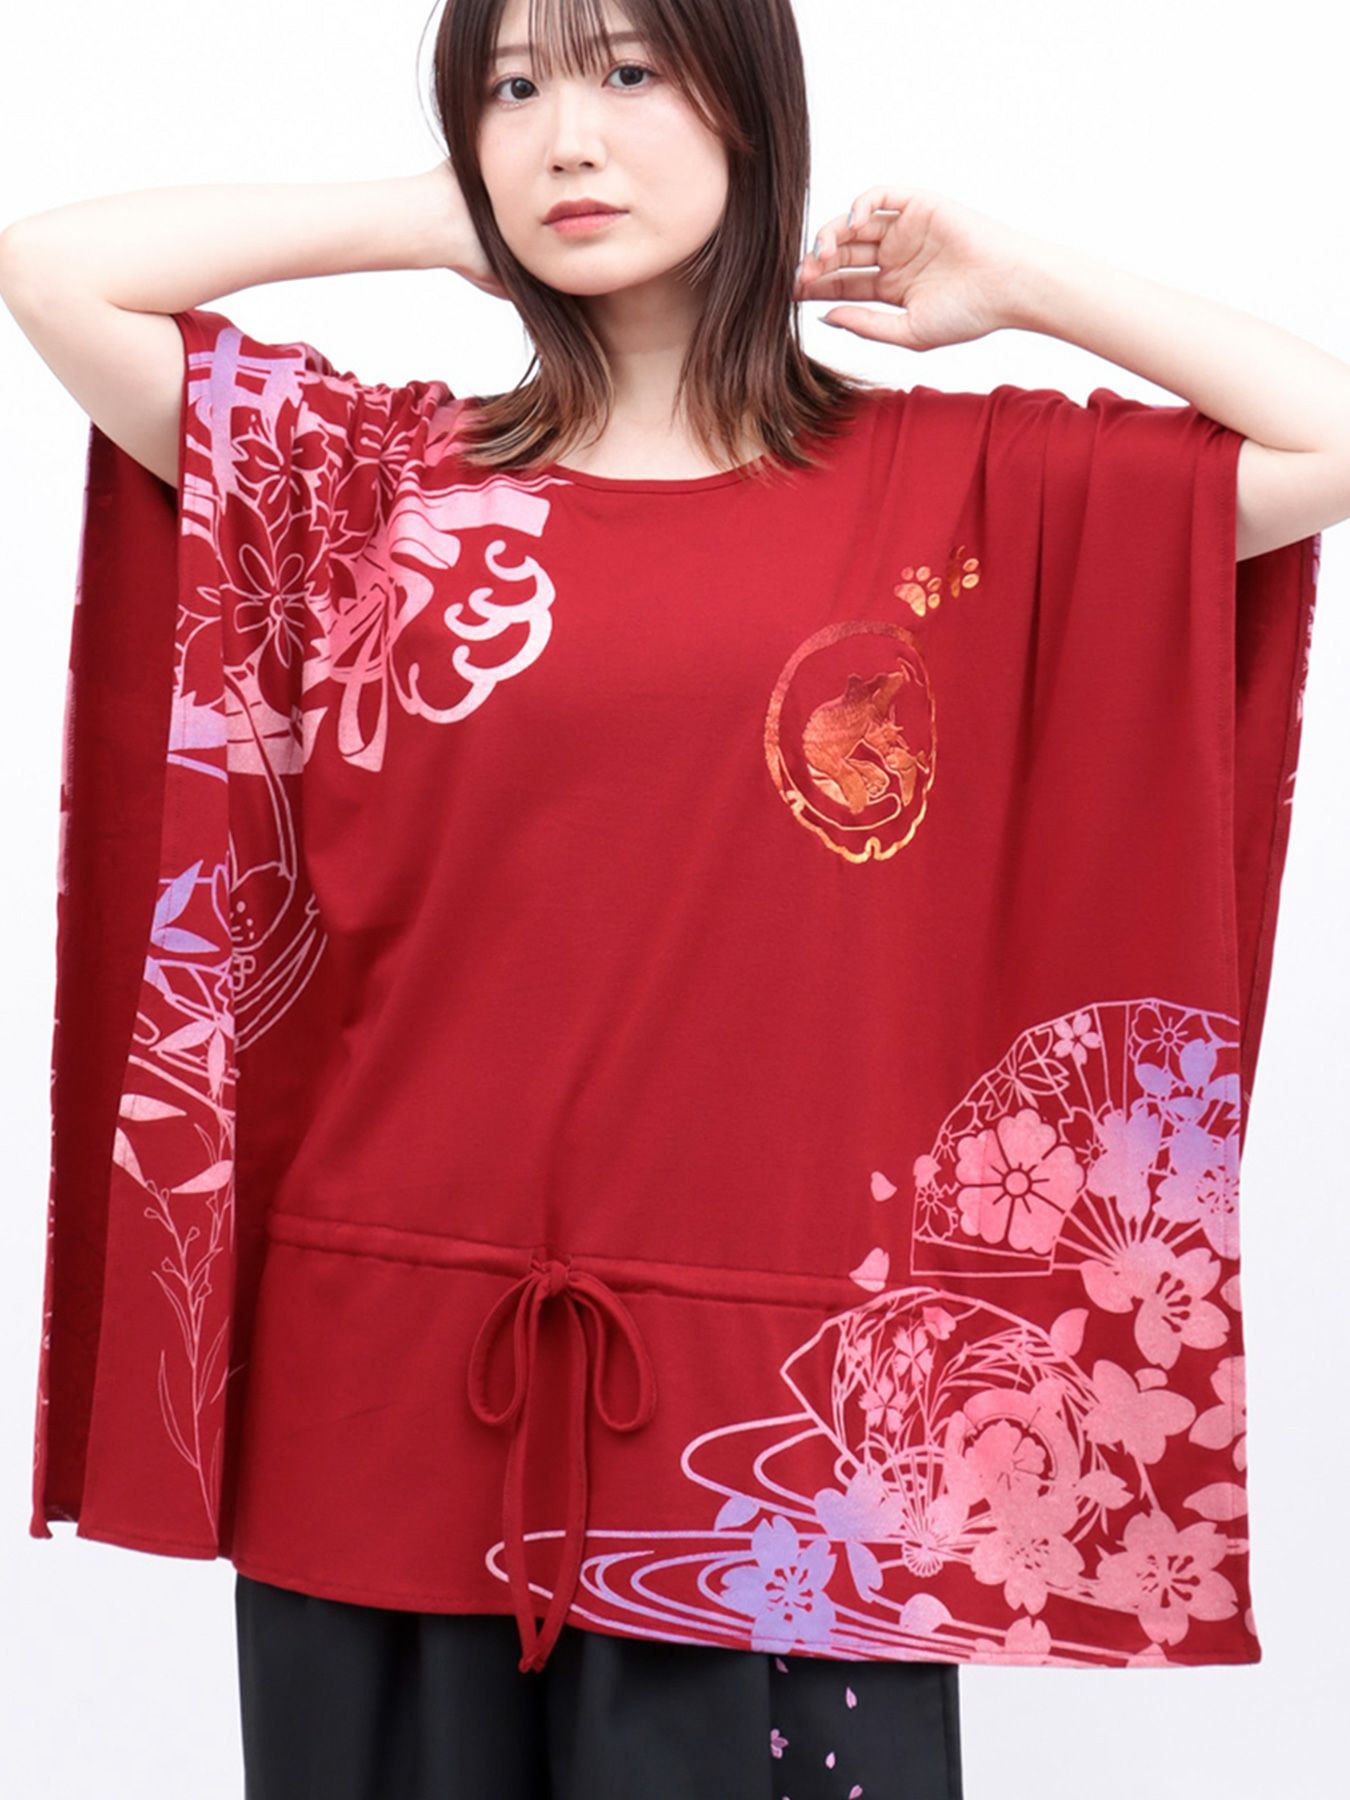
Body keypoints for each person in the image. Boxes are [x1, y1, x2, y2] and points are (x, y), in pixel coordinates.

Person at [3, 0, 1344, 1796]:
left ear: (749, 107)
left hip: (776, 1424)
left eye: (628, 70)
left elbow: (1328, 438)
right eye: (512, 87)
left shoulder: (961, 490)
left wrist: (1014, 278)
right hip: (379, 1382)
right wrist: (431, 212)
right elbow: (53, 268)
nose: (568, 134)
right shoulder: (371, 482)